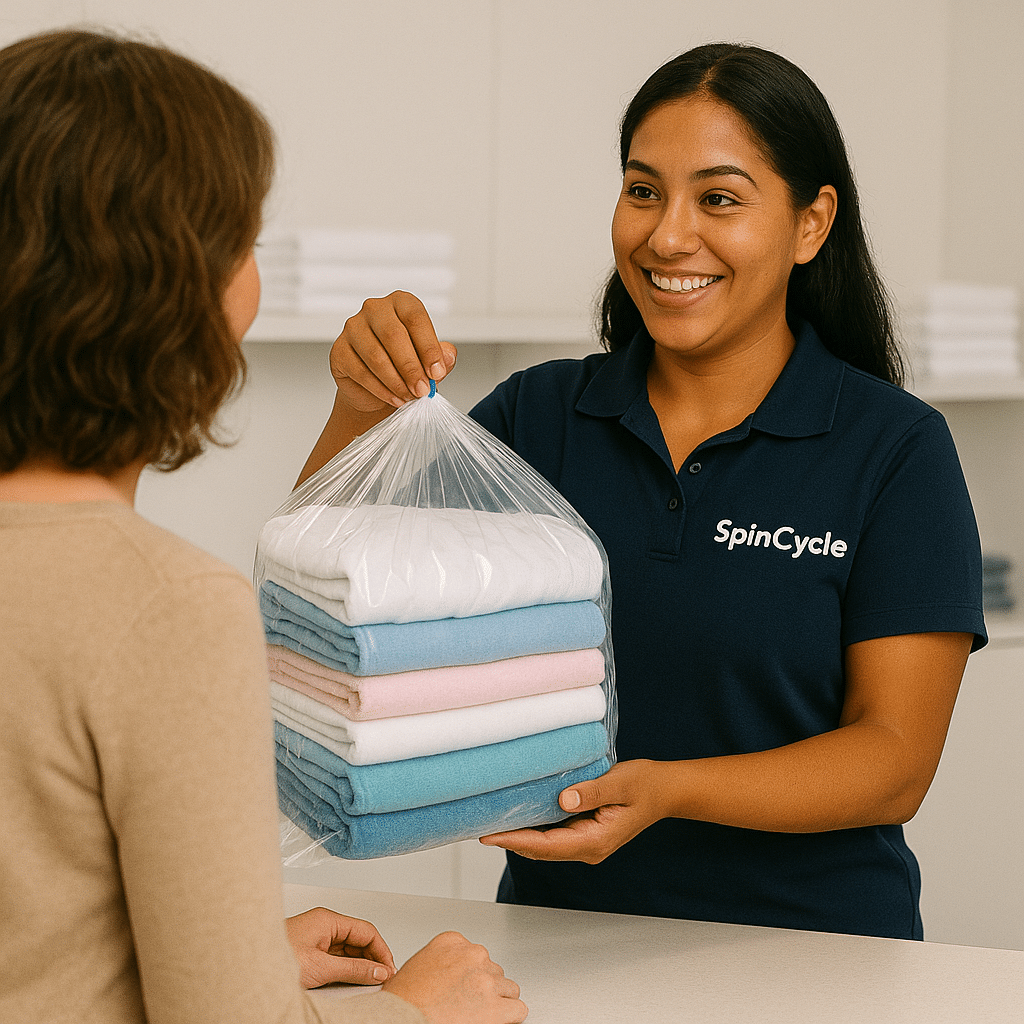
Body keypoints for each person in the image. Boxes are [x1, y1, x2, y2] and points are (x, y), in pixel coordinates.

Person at [295, 42, 987, 941]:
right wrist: (358, 408)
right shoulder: (539, 418)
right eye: (643, 189)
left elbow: (894, 760)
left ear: (811, 224)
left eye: (720, 198)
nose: (667, 236)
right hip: (554, 946)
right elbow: (321, 603)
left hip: (817, 955)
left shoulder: (893, 448)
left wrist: (667, 790)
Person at [0, 28, 527, 1024]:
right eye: (242, 240)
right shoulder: (167, 610)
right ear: (174, 290)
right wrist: (420, 1009)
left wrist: (231, 948)